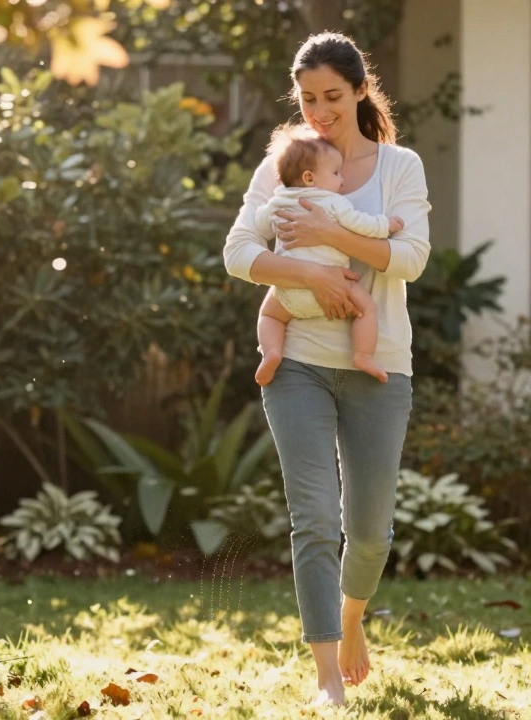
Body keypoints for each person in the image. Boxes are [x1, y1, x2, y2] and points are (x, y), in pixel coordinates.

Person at [222, 31, 432, 707]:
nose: (319, 111)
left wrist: (332, 238)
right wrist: (315, 273)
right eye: (308, 98)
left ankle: (350, 623)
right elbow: (237, 252)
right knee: (314, 518)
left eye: (333, 97)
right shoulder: (286, 161)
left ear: (360, 89)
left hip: (379, 366)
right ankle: (327, 680)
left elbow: (410, 258)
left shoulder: (400, 166)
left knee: (369, 531)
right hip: (299, 365)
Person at [253, 126, 405, 387]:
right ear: (310, 178)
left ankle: (272, 352)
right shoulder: (334, 203)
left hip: (290, 289)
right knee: (366, 308)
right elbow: (362, 225)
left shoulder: (278, 200)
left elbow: (259, 223)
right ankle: (363, 355)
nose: (342, 180)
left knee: (270, 316)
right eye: (335, 173)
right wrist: (387, 225)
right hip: (339, 287)